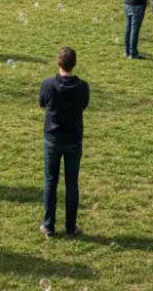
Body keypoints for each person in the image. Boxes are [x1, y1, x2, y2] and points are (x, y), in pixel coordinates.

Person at [39, 46, 89, 237]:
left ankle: (49, 225)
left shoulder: (48, 84)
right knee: (72, 183)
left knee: (50, 181)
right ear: (74, 64)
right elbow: (83, 105)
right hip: (73, 139)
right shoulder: (82, 87)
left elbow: (42, 103)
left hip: (52, 139)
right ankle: (70, 227)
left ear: (58, 63)